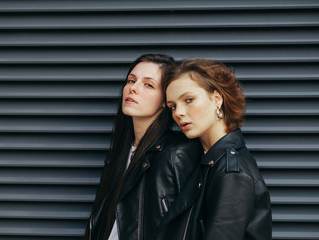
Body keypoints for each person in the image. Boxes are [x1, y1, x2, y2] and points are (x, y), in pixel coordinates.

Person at [85, 54, 202, 240]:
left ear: (165, 100)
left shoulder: (177, 154)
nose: (134, 88)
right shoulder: (119, 155)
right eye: (131, 80)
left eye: (148, 84)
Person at [161, 59, 272, 239]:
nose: (178, 112)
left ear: (217, 99)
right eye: (172, 106)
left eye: (189, 99)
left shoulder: (231, 171)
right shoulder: (208, 161)